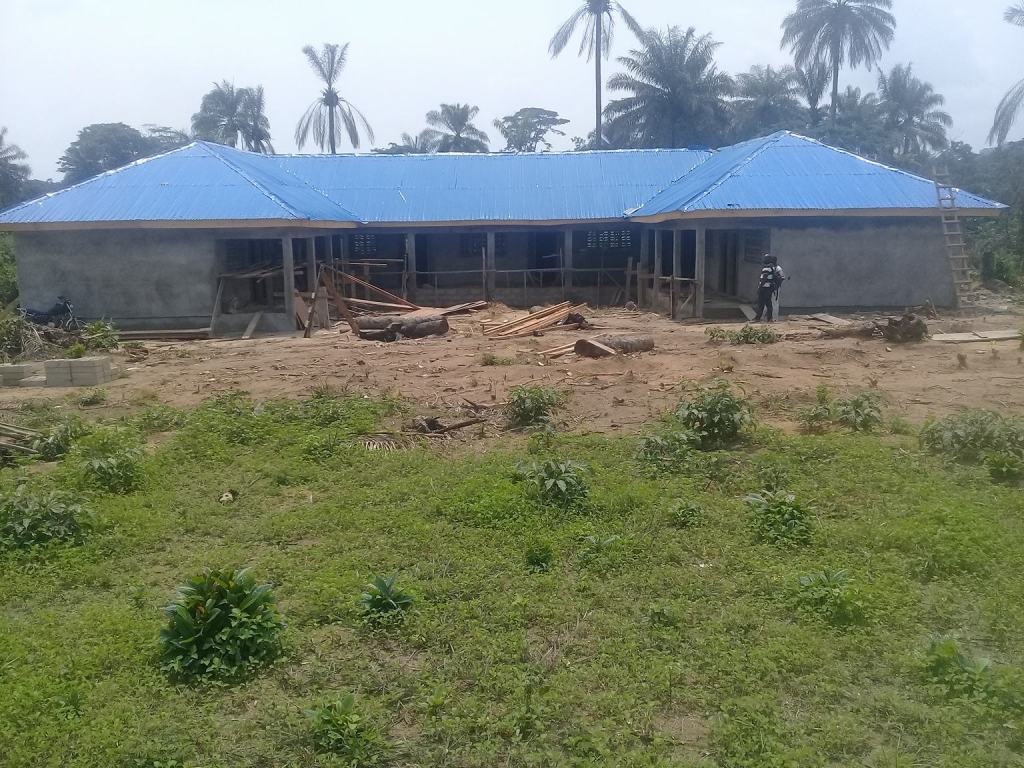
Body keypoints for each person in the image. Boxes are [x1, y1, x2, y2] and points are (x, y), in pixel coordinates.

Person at [754, 254, 785, 322]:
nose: (763, 260)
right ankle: (768, 318)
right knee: (768, 303)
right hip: (770, 288)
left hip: (768, 288)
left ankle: (772, 318)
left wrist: (760, 288)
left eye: (765, 258)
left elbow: (764, 279)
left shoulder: (770, 268)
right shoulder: (772, 268)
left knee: (767, 303)